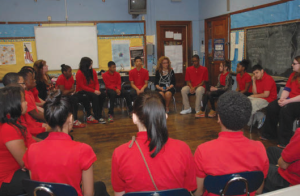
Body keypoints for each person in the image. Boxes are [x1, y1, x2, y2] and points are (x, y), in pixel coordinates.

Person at [23, 91, 109, 196]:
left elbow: (35, 185)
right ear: (71, 119)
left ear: (48, 121)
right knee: (100, 186)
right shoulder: (83, 150)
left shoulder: (32, 149)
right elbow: (88, 193)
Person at [111, 91, 197, 195]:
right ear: (165, 117)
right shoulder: (183, 149)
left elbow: (119, 194)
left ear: (134, 118)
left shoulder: (120, 154)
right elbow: (189, 189)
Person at [193, 91, 269, 196]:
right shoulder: (260, 148)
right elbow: (258, 190)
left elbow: (198, 192)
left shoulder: (203, 151)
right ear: (247, 118)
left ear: (219, 118)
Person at [0, 86, 36, 196]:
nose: (26, 103)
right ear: (13, 104)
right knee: (50, 174)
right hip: (6, 179)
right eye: (23, 100)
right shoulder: (8, 128)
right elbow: (25, 162)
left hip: (17, 170)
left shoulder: (15, 123)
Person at [261, 56, 300, 148]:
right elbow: (287, 89)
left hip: (297, 101)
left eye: (294, 64)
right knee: (272, 107)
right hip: (290, 100)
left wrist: (287, 101)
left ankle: (285, 141)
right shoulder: (293, 75)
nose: (292, 65)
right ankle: (269, 134)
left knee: (286, 110)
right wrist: (282, 99)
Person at [2, 72, 50, 138]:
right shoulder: (11, 119)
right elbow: (28, 133)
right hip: (35, 133)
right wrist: (46, 127)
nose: (24, 86)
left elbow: (29, 127)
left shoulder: (19, 109)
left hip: (35, 130)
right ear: (14, 85)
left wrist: (42, 125)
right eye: (23, 83)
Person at [264, 128, 300, 192]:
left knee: (259, 166)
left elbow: (283, 164)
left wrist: (279, 165)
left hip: (292, 182)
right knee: (271, 151)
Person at [76, 57, 106, 124]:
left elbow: (96, 83)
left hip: (92, 90)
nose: (91, 66)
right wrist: (94, 91)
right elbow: (82, 86)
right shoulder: (79, 73)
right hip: (82, 91)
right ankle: (97, 116)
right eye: (90, 64)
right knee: (94, 96)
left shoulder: (93, 71)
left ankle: (99, 112)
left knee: (102, 94)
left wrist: (97, 90)